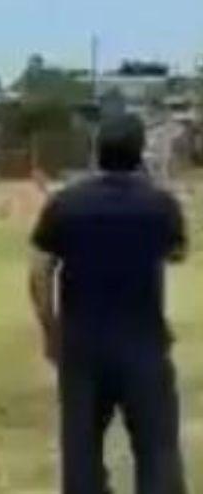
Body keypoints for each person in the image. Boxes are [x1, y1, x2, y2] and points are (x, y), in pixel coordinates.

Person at [30, 112, 189, 494]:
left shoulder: (65, 204)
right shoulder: (160, 205)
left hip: (82, 344)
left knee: (81, 452)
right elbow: (178, 253)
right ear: (140, 153)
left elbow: (39, 274)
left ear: (97, 151)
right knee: (157, 449)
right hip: (144, 343)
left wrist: (51, 330)